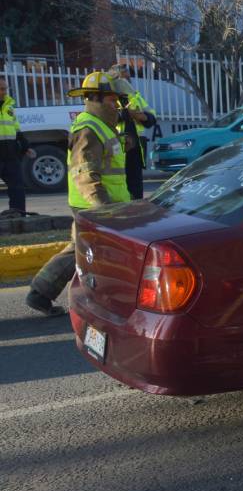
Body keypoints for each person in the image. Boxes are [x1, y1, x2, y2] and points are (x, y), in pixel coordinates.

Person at [26, 71, 129, 317]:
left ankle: (41, 293)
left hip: (104, 204)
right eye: (112, 99)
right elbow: (84, 172)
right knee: (93, 253)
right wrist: (103, 208)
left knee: (80, 251)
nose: (116, 105)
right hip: (95, 205)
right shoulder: (89, 129)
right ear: (96, 98)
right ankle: (97, 302)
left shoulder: (101, 125)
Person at [106, 64, 156, 200]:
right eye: (124, 78)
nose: (127, 81)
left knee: (136, 189)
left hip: (136, 149)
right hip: (117, 149)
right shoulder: (108, 98)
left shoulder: (134, 96)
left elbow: (151, 118)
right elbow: (105, 118)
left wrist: (143, 117)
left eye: (128, 78)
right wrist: (126, 114)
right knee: (120, 186)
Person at [0, 77, 36, 218]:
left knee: (17, 188)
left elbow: (16, 129)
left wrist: (25, 147)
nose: (4, 92)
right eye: (1, 89)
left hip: (10, 154)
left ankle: (18, 216)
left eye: (5, 88)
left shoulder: (9, 107)